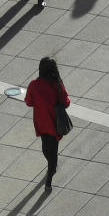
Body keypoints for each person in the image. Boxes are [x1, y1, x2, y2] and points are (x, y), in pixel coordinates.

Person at [25, 56, 71, 193]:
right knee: (53, 151)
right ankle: (51, 169)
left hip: (41, 122)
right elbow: (66, 102)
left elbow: (28, 101)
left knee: (46, 149)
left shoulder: (33, 85)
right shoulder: (57, 84)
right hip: (55, 123)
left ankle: (49, 179)